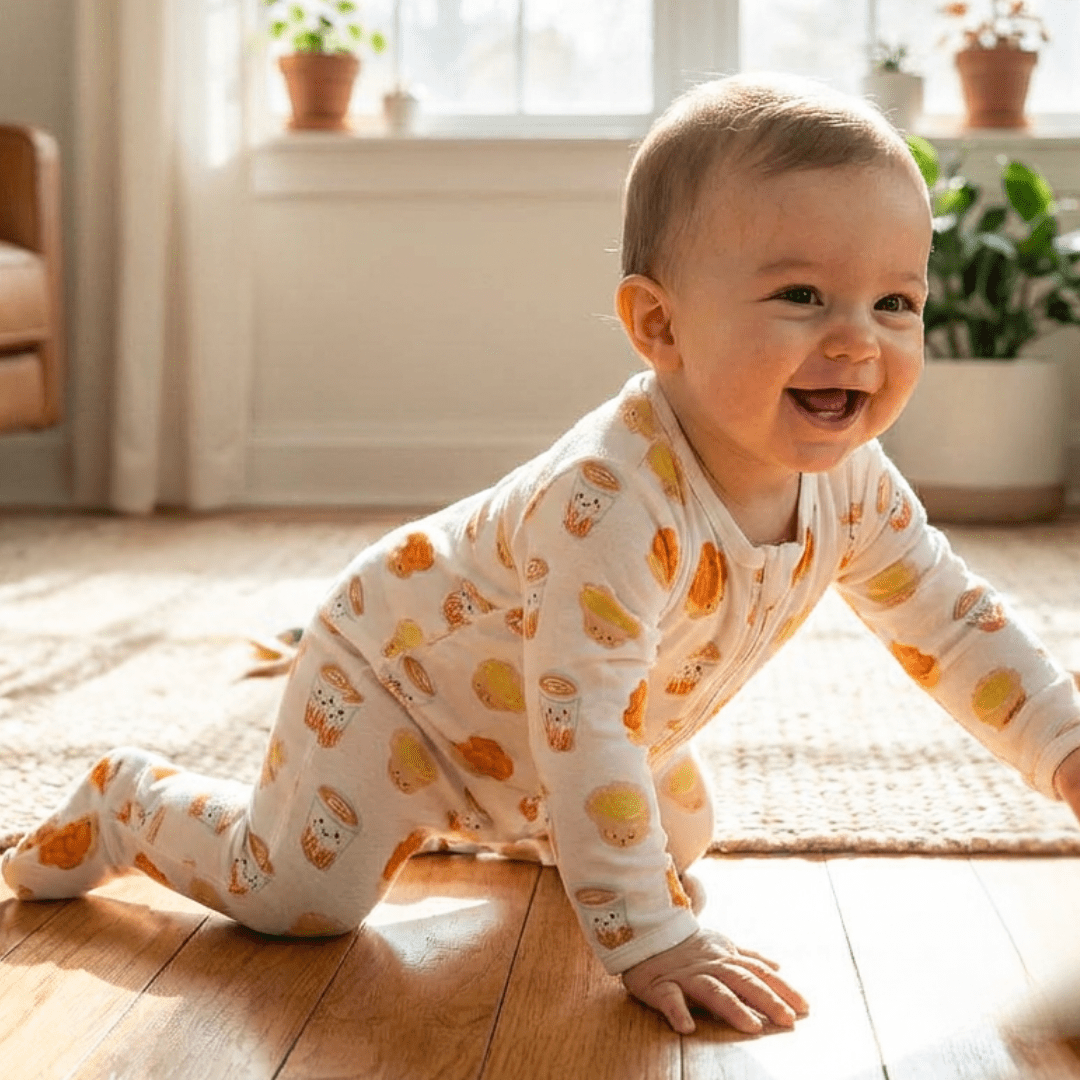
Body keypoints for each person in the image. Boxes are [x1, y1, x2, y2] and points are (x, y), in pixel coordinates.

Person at [5, 72, 1080, 1039]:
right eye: (802, 295)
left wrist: (1064, 747)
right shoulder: (610, 505)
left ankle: (519, 829)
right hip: (400, 692)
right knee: (304, 899)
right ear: (658, 326)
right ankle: (128, 799)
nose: (859, 338)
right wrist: (648, 940)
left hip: (548, 730)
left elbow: (953, 624)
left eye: (895, 301)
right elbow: (587, 727)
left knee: (682, 831)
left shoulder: (854, 483)